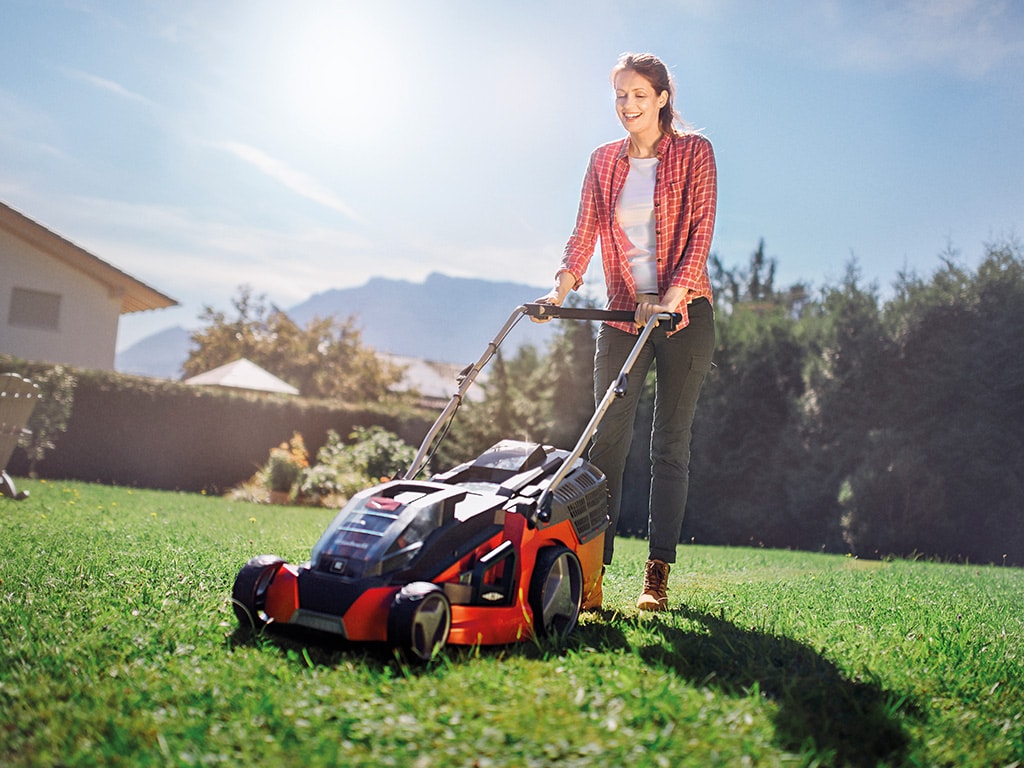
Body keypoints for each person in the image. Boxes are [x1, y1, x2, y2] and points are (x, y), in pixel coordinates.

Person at [535, 52, 716, 612]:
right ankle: (591, 576)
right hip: (621, 314)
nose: (628, 105)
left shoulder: (694, 152)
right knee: (604, 444)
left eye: (639, 94)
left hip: (684, 317)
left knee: (669, 446)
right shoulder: (603, 161)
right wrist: (559, 292)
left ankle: (656, 574)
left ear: (662, 98)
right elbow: (584, 230)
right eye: (620, 95)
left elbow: (700, 234)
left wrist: (668, 300)